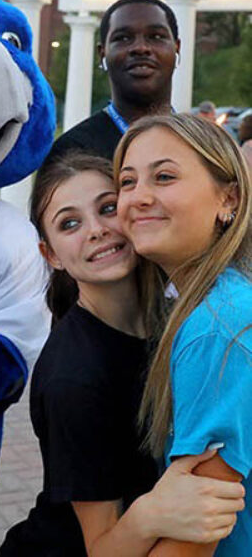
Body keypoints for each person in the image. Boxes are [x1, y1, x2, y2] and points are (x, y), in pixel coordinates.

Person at [0, 150, 244, 556]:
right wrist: (150, 512)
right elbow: (103, 550)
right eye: (70, 223)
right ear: (52, 255)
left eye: (108, 208)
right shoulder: (72, 377)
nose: (95, 230)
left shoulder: (177, 316)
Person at [116, 113, 252, 555]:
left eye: (165, 176)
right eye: (127, 181)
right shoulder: (206, 304)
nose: (139, 197)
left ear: (228, 198)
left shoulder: (218, 329)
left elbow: (190, 542)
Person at [49, 0, 179, 161]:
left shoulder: (203, 146)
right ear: (102, 53)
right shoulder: (72, 151)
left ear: (177, 48)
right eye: (123, 38)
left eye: (156, 36)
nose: (141, 48)